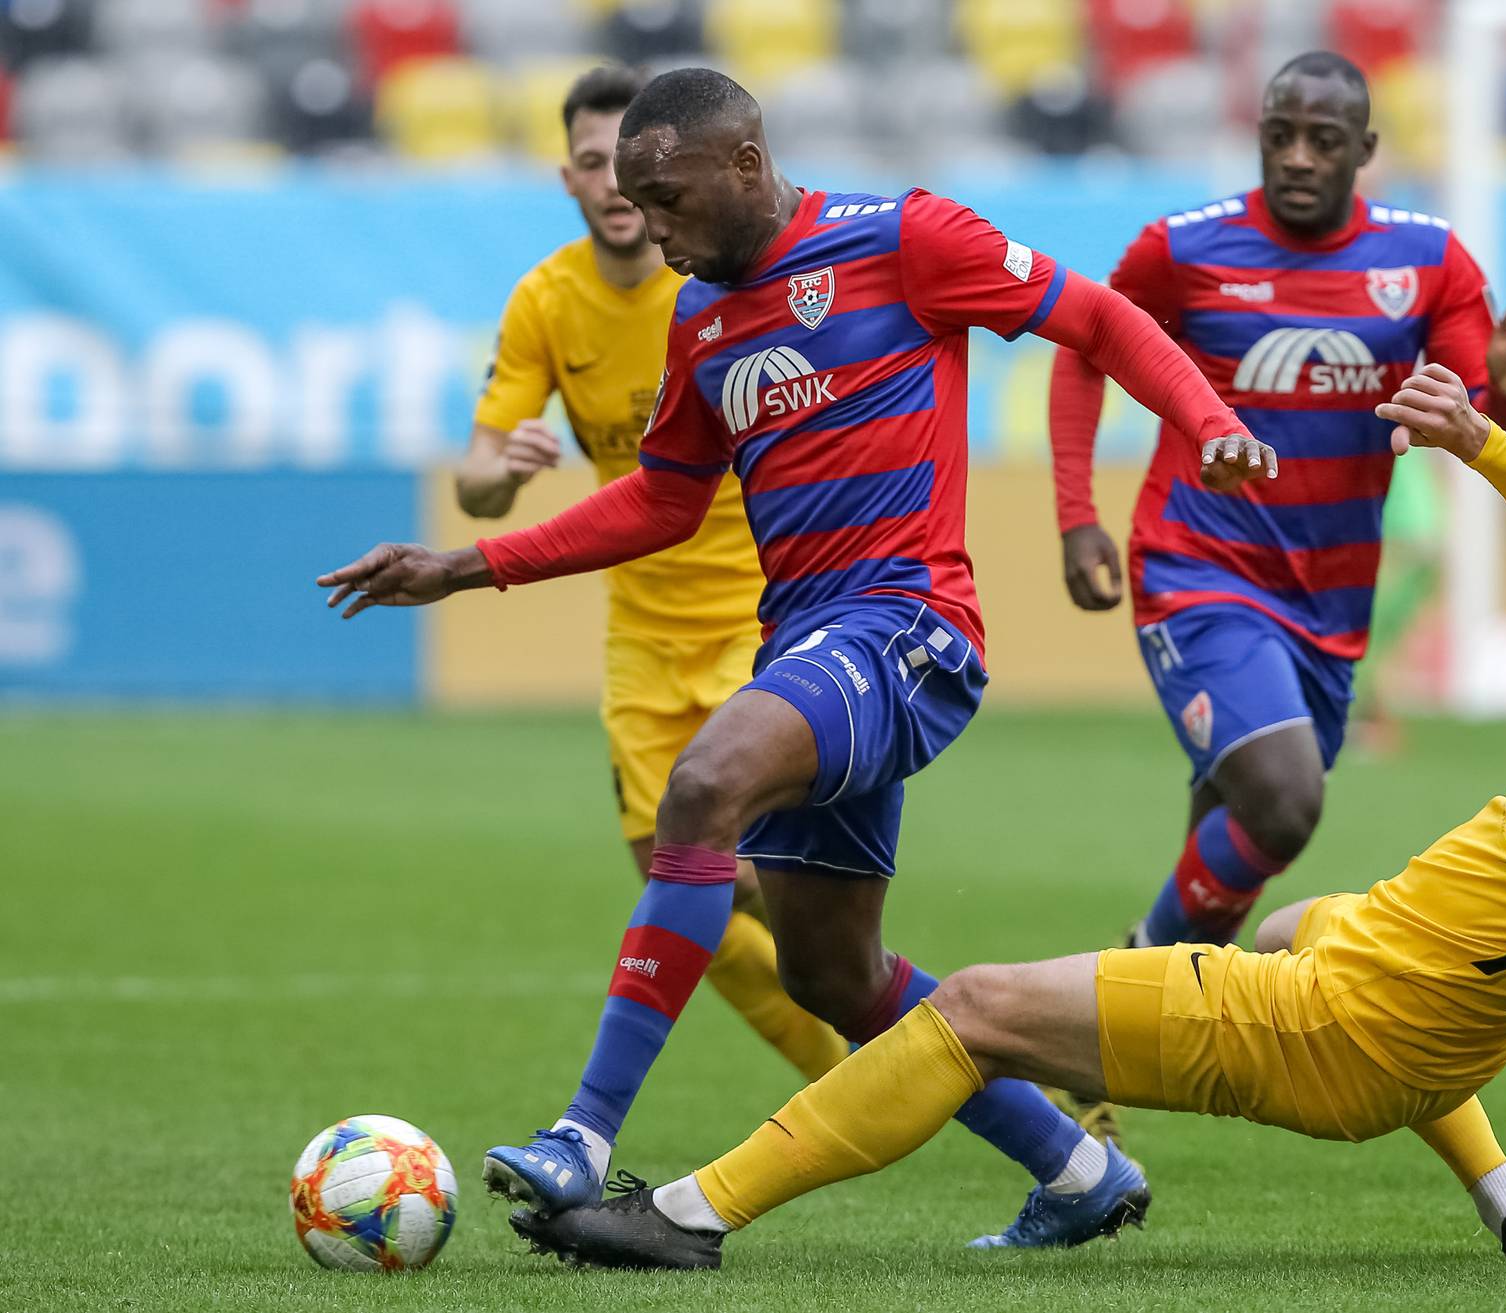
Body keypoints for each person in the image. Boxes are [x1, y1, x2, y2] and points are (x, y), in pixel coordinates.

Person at [502, 363, 1506, 1272]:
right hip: (1390, 991)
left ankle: (690, 1213)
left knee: (973, 1008)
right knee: (1291, 916)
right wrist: (1482, 442)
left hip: (1329, 1029)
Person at [317, 67, 1278, 1249]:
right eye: (637, 205)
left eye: (668, 200)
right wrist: (466, 566)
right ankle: (1076, 1166)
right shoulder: (701, 320)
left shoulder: (906, 239)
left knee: (704, 784)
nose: (653, 231)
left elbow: (1097, 317)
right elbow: (663, 501)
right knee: (833, 973)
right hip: (814, 642)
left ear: (745, 163)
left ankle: (582, 1136)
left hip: (909, 625)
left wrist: (1211, 421)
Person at [1048, 51, 1506, 957]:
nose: (1297, 157)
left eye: (1322, 140)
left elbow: (1470, 421)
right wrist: (1076, 513)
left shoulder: (1428, 260)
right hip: (1198, 565)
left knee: (1236, 831)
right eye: (1279, 136)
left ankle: (1135, 1004)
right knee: (1285, 801)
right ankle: (1127, 971)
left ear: (1364, 149)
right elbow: (1085, 344)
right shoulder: (1183, 249)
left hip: (1330, 601)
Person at [459, 64, 845, 1089]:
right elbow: (476, 480)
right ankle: (852, 1067)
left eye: (627, 167)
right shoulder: (547, 302)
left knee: (741, 882)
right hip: (640, 637)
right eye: (592, 164)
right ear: (571, 177)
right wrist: (501, 473)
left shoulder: (712, 275)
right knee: (690, 904)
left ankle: (907, 1039)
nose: (614, 188)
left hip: (755, 620)